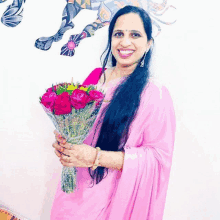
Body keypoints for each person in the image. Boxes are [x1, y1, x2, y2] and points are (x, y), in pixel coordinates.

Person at [51, 5, 176, 220]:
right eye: (118, 34)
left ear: (148, 44)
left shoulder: (154, 94)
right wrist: (66, 144)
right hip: (72, 191)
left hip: (110, 199)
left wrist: (96, 157)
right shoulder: (94, 77)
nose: (125, 42)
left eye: (135, 35)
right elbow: (81, 129)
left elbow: (157, 158)